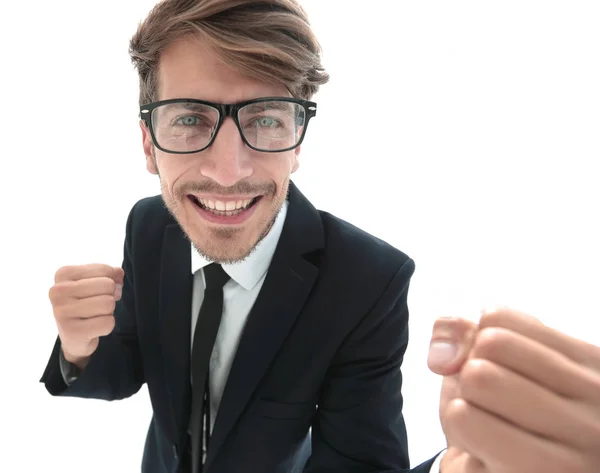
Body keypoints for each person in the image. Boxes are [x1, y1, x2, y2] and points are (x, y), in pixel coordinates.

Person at [40, 1, 600, 472]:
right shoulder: (149, 225)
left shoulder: (366, 281)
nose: (228, 171)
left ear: (298, 138)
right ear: (147, 145)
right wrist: (79, 347)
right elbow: (126, 370)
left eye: (265, 119)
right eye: (189, 119)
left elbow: (360, 461)